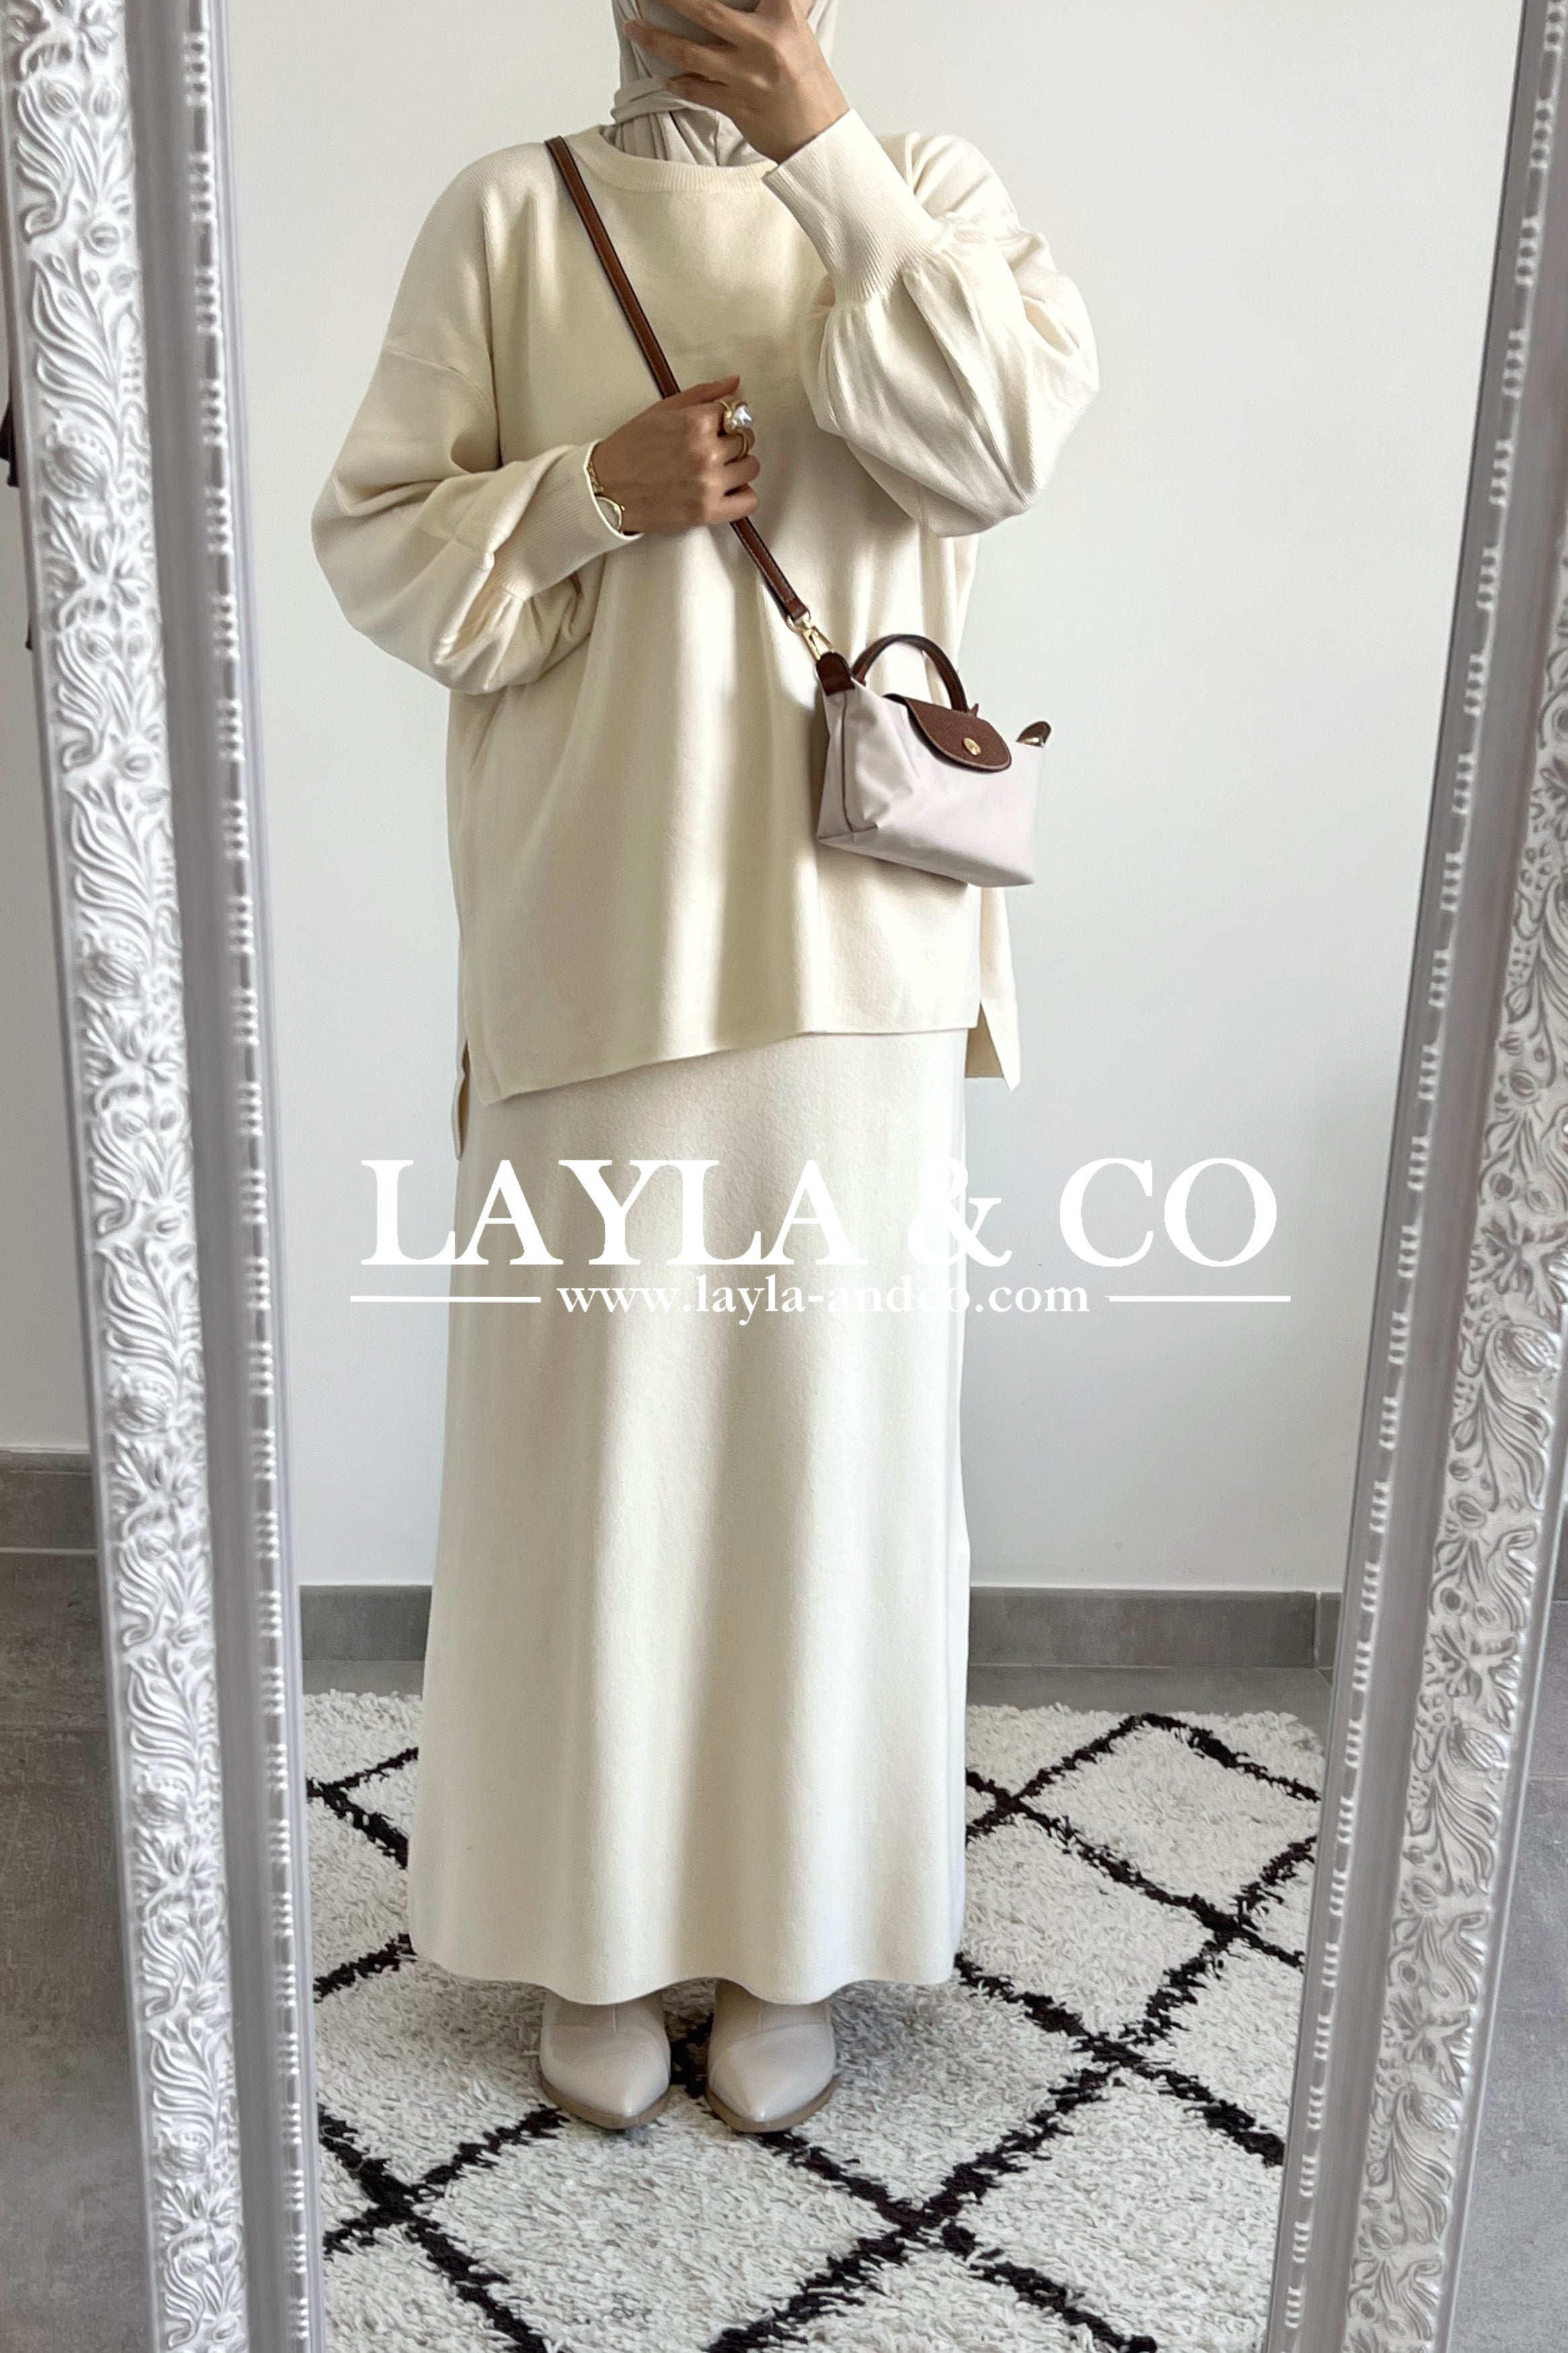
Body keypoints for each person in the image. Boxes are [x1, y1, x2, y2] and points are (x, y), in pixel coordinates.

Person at [312, 0, 1097, 2135]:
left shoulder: (924, 195)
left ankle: (789, 1933)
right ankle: (591, 1930)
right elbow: (380, 545)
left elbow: (994, 445)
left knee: (826, 1465)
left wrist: (824, 149)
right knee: (597, 1460)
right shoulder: (509, 218)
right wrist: (589, 495)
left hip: (859, 952)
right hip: (593, 932)